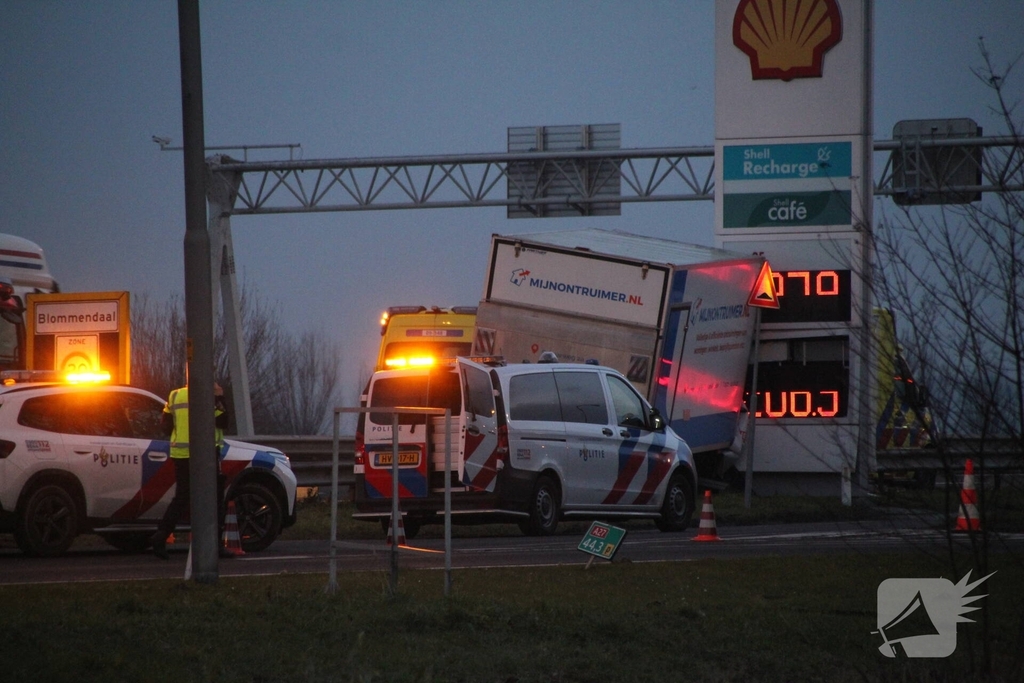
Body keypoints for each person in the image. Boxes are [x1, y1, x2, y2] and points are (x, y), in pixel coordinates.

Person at [150, 382, 229, 559]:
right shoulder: (209, 397)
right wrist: (220, 397)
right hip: (205, 454)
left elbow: (166, 428)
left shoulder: (175, 396)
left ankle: (161, 535)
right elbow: (224, 421)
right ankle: (215, 545)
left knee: (182, 498)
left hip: (181, 453)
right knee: (215, 498)